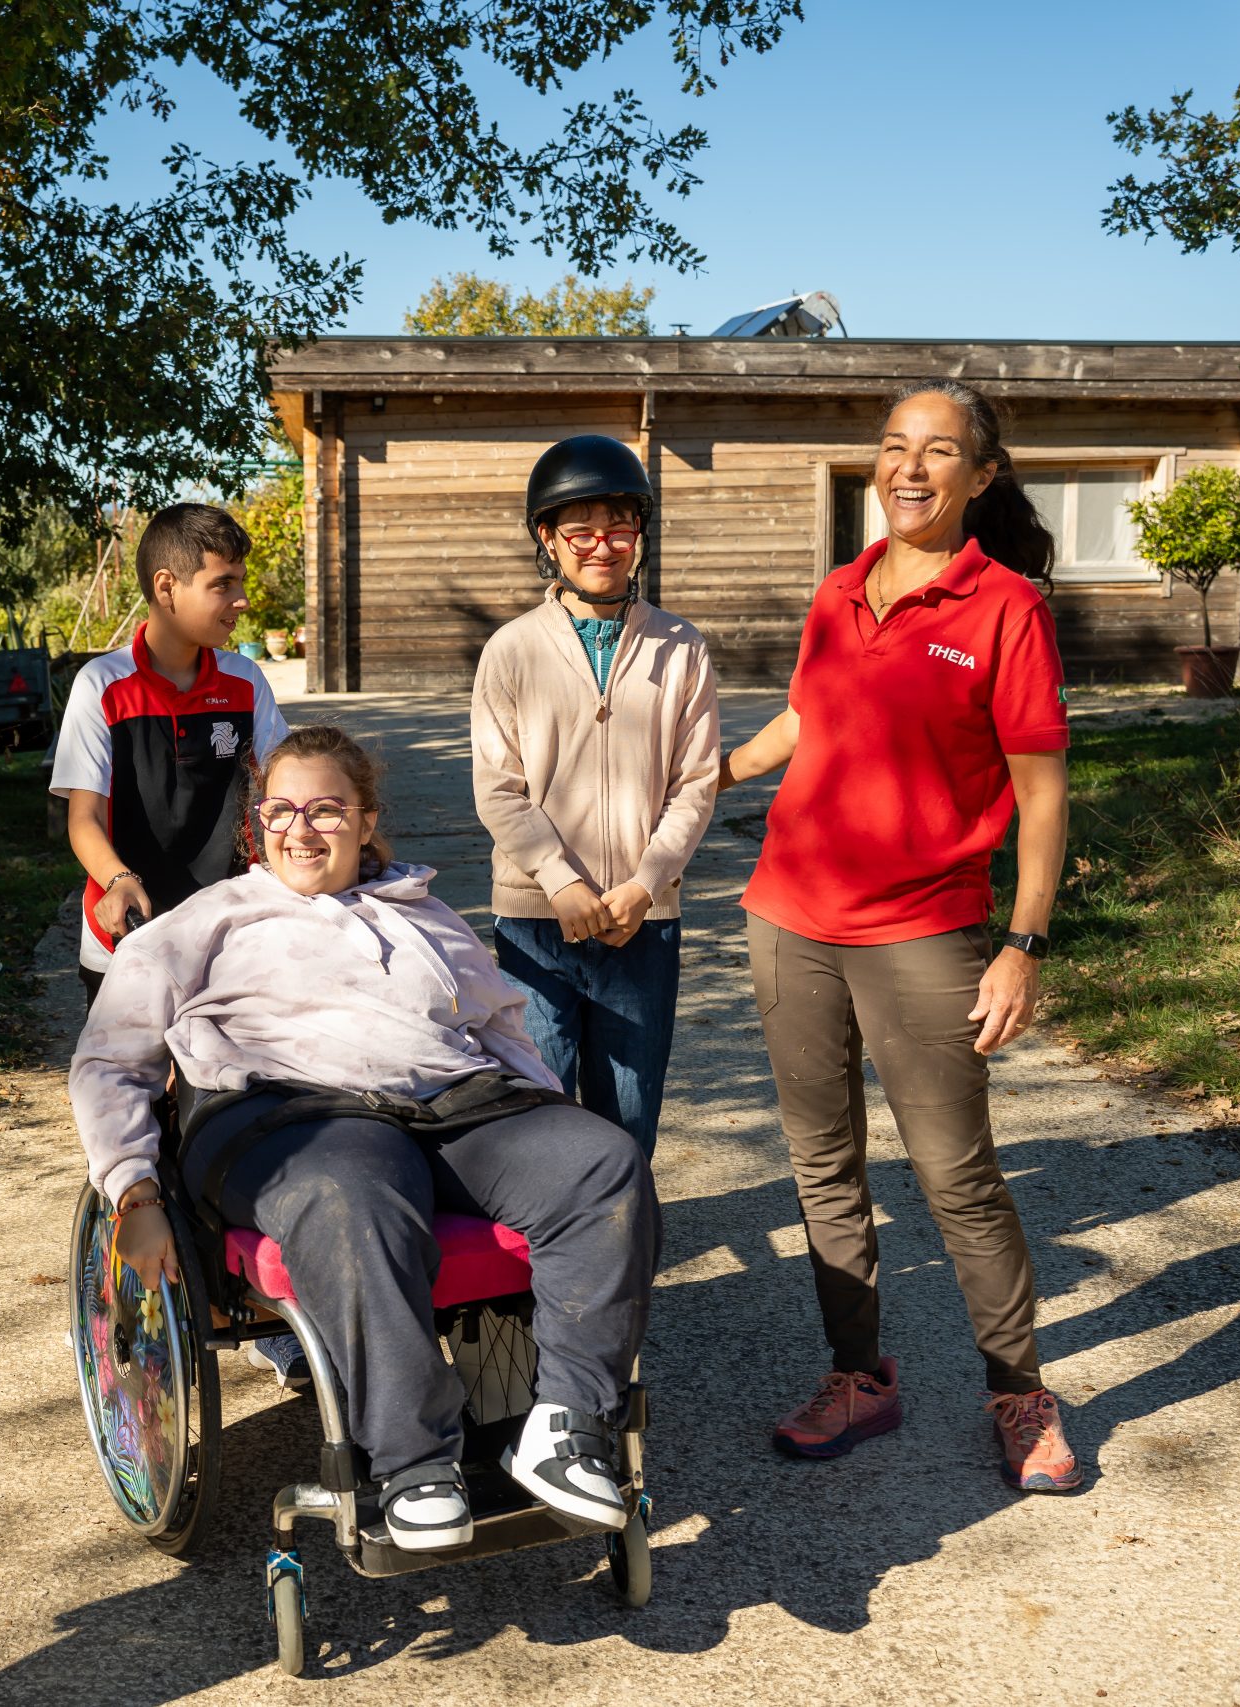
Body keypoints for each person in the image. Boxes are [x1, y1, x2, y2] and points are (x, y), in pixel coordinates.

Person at [72, 725, 659, 1550]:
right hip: (291, 1113)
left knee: (604, 1163)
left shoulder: (426, 914)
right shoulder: (207, 920)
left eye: (325, 809)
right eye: (280, 809)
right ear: (257, 823)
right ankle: (414, 1458)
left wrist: (546, 1119)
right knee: (352, 1192)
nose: (300, 828)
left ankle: (566, 1430)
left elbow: (503, 1033)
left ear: (366, 818)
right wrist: (132, 1186)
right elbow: (109, 1058)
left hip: (454, 1103)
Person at [718, 381, 1080, 1493]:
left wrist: (1020, 944)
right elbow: (805, 718)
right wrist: (700, 778)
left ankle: (1018, 1394)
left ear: (979, 475)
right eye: (892, 447)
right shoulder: (838, 591)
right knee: (823, 1167)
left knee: (954, 1176)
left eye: (938, 451)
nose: (908, 468)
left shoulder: (1004, 608)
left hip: (924, 931)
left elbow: (1043, 792)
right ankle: (858, 1379)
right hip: (790, 922)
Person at [51, 501, 300, 1387]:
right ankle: (143, 1303)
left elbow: (278, 797)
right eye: (222, 583)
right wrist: (117, 879)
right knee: (146, 1128)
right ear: (166, 587)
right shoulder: (102, 688)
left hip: (228, 943)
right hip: (130, 945)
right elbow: (83, 817)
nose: (239, 600)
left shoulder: (245, 685)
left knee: (245, 1111)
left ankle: (261, 1306)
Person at [473, 434, 719, 1156]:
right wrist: (558, 880)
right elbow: (498, 785)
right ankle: (542, 1262)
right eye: (579, 530)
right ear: (547, 540)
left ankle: (619, 1258)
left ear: (640, 531)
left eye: (618, 526)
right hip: (535, 919)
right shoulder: (512, 650)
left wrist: (648, 882)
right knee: (538, 1105)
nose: (601, 546)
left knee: (628, 1118)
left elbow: (696, 781)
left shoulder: (681, 647)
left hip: (643, 921)